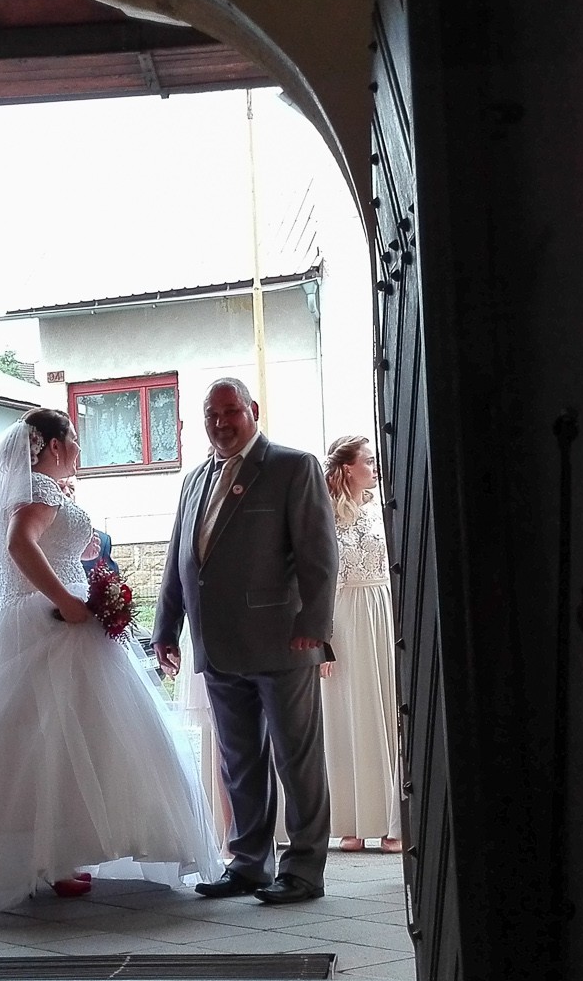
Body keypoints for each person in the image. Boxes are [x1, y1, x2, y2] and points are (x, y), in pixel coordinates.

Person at [0, 409, 218, 921]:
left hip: (45, 622)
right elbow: (20, 544)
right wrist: (66, 599)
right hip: (51, 622)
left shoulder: (36, 488)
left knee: (52, 741)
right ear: (54, 445)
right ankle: (49, 857)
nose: (78, 450)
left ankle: (54, 857)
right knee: (56, 739)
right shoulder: (39, 488)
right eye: (74, 440)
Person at [153, 378, 339, 905]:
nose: (221, 423)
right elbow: (180, 558)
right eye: (212, 415)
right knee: (239, 763)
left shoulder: (292, 467)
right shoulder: (194, 479)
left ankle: (303, 870)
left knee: (296, 761)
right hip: (217, 646)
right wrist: (166, 627)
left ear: (252, 410)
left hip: (284, 642)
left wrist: (315, 625)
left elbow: (320, 554)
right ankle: (249, 863)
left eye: (231, 411)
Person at [319, 436, 402, 853]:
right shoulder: (322, 514)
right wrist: (322, 639)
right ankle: (351, 822)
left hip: (382, 613)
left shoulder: (382, 510)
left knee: (384, 711)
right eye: (368, 461)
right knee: (348, 715)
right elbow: (316, 578)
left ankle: (391, 822)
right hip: (343, 619)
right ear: (347, 468)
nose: (375, 467)